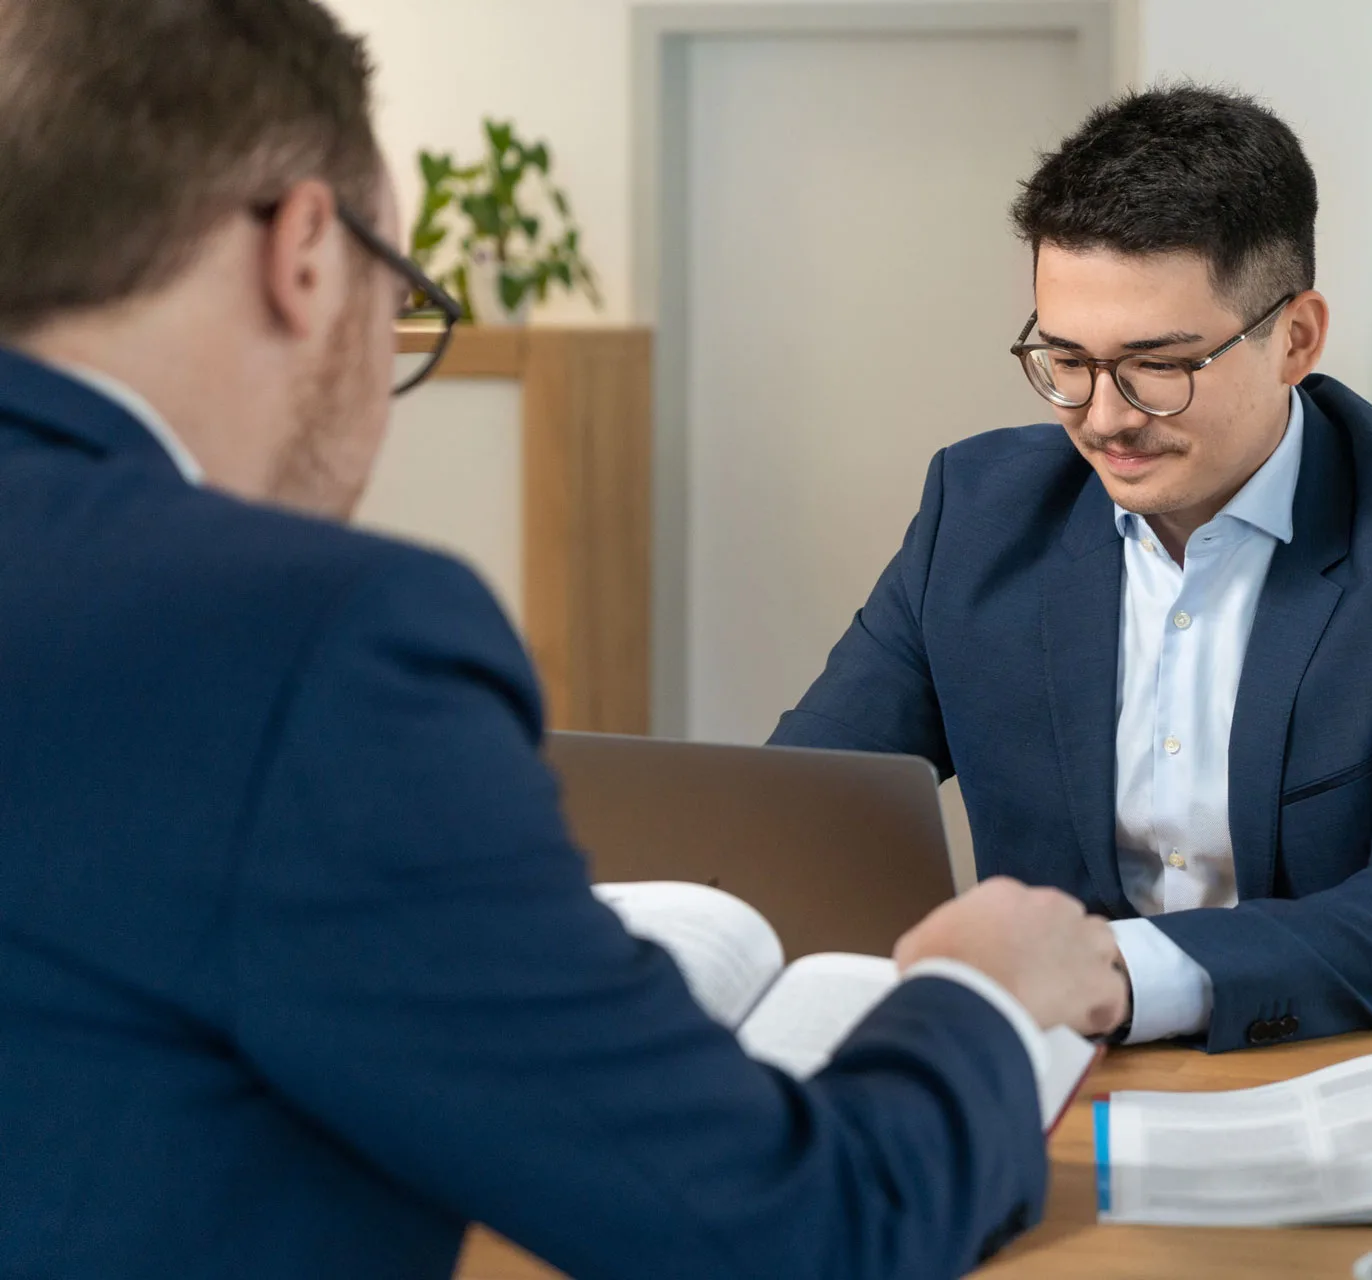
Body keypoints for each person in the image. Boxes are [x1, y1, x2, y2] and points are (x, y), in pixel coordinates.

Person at [0, 2, 1128, 1277]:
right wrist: (984, 993)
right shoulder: (309, 637)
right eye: (403, 306)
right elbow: (792, 1228)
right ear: (308, 251)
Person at [773, 85, 1372, 1053]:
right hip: (1052, 1092)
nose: (1103, 416)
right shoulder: (978, 513)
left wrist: (1114, 971)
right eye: (1065, 358)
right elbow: (799, 810)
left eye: (1159, 365)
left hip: (1336, 1072)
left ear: (1297, 336)